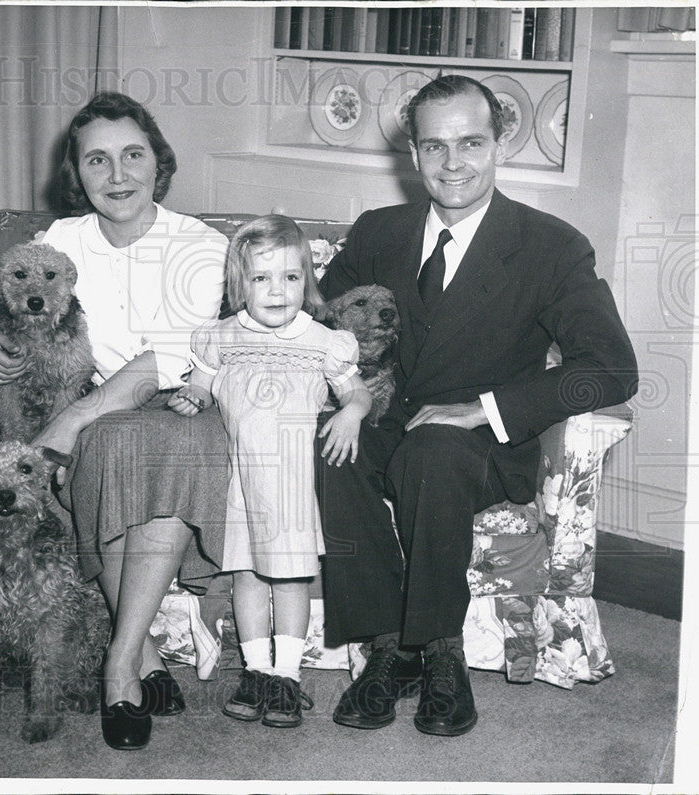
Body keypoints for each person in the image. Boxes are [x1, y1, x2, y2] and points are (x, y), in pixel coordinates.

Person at [316, 75, 638, 737]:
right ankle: (387, 647)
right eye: (435, 146)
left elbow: (611, 367)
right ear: (413, 154)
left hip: (484, 447)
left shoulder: (551, 246)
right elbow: (315, 325)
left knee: (435, 446)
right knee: (331, 441)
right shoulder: (380, 231)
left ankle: (440, 653)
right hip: (388, 421)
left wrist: (481, 409)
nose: (453, 162)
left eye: (471, 142)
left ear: (500, 145)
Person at [0, 92, 229, 750]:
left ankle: (118, 667)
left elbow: (170, 355)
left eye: (133, 155)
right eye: (97, 160)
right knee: (111, 442)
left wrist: (74, 416)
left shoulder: (201, 243)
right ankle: (144, 656)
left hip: (181, 398)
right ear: (76, 174)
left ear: (157, 163)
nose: (118, 175)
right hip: (102, 405)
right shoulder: (60, 239)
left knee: (130, 440)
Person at [169, 215, 371, 729]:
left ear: (308, 280)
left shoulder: (324, 341)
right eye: (261, 279)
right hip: (241, 482)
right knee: (248, 577)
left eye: (290, 277)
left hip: (294, 484)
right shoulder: (221, 338)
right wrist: (191, 395)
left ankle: (286, 678)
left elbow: (356, 391)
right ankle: (256, 671)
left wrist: (351, 412)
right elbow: (202, 384)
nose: (277, 291)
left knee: (290, 581)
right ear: (240, 285)